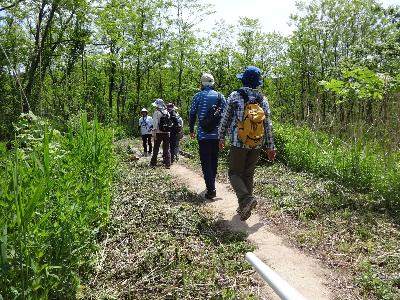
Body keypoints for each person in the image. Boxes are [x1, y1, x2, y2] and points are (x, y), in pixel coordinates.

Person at [218, 66, 276, 221]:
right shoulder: (263, 100)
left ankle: (246, 200)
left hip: (239, 141)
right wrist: (271, 146)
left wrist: (221, 136)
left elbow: (225, 119)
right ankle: (244, 208)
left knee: (234, 173)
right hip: (257, 142)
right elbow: (268, 124)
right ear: (258, 83)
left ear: (243, 80)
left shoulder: (235, 96)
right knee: (248, 174)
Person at [189, 73, 227, 199]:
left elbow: (192, 114)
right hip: (217, 135)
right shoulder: (220, 96)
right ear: (213, 83)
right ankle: (212, 183)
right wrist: (224, 134)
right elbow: (226, 115)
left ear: (202, 83)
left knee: (206, 162)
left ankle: (211, 189)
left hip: (203, 135)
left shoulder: (197, 96)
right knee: (214, 160)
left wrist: (191, 130)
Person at [150, 99, 171, 168]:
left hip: (159, 132)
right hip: (167, 133)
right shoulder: (167, 112)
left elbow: (155, 124)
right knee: (166, 148)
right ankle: (167, 163)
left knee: (156, 148)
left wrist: (154, 134)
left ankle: (153, 163)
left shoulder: (156, 112)